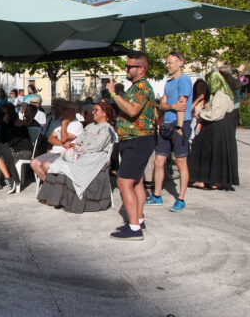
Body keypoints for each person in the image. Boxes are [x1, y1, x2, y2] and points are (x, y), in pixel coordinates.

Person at [105, 51, 156, 240]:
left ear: (141, 69)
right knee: (137, 182)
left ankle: (134, 229)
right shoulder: (135, 87)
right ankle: (138, 220)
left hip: (137, 140)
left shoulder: (142, 86)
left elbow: (133, 110)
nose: (126, 69)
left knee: (124, 182)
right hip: (135, 139)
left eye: (129, 66)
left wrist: (113, 93)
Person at [37, 102, 117, 213]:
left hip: (96, 156)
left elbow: (97, 146)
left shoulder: (107, 128)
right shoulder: (90, 126)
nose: (93, 112)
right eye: (93, 110)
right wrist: (77, 146)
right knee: (59, 163)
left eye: (96, 110)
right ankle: (54, 197)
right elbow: (80, 140)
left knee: (70, 167)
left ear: (105, 113)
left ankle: (68, 201)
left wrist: (80, 148)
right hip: (84, 153)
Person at [146, 52, 192, 212]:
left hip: (180, 124)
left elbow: (182, 106)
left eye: (170, 63)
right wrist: (170, 107)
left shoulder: (184, 80)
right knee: (158, 161)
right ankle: (157, 196)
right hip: (166, 123)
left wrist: (179, 127)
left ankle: (181, 199)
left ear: (180, 63)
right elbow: (162, 105)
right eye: (167, 62)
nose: (167, 65)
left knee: (181, 162)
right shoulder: (169, 82)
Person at [188, 71, 238, 190]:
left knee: (210, 152)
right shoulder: (221, 93)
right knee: (216, 153)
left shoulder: (220, 94)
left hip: (217, 127)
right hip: (220, 127)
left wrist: (201, 113)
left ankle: (208, 181)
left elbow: (215, 114)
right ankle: (213, 181)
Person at [0, 103, 40, 194]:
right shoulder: (12, 124)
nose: (3, 117)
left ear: (8, 117)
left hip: (23, 151)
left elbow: (12, 142)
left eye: (5, 115)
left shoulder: (16, 125)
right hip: (14, 149)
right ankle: (7, 179)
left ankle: (7, 180)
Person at [30, 101, 83, 182]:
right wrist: (63, 144)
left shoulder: (77, 124)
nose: (63, 111)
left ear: (73, 111)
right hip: (54, 151)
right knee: (33, 163)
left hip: (65, 153)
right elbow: (50, 138)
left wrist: (64, 123)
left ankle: (52, 186)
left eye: (65, 109)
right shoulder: (59, 122)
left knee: (46, 165)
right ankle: (48, 185)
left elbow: (64, 138)